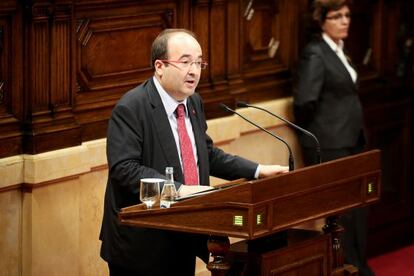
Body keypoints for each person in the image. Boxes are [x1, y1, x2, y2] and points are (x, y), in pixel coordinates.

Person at [99, 28, 289, 276]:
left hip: (184, 231)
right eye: (186, 62)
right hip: (142, 244)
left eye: (199, 63)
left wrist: (258, 171)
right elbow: (125, 169)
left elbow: (205, 156)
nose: (195, 70)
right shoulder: (131, 107)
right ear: (159, 66)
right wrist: (179, 189)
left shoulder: (194, 102)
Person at [293, 1, 374, 276]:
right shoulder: (315, 53)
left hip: (352, 139)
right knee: (343, 215)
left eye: (348, 15)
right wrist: (323, 135)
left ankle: (360, 266)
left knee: (358, 208)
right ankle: (349, 269)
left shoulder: (340, 50)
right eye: (337, 16)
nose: (345, 21)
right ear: (321, 20)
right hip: (330, 144)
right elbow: (304, 103)